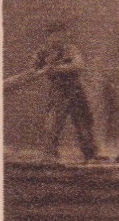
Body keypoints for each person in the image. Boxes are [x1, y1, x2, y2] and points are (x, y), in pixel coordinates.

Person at [31, 22, 99, 161]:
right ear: (49, 36)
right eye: (54, 34)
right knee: (53, 123)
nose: (58, 38)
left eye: (61, 34)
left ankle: (90, 155)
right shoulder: (42, 52)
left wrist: (56, 68)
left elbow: (78, 65)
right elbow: (33, 70)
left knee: (83, 122)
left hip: (75, 90)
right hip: (58, 91)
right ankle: (50, 155)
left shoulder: (70, 49)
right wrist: (42, 69)